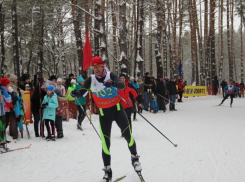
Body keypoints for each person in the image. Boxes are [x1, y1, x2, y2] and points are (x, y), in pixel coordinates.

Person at [71, 56, 142, 182]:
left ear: (102, 65)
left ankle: (134, 158)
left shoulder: (111, 75)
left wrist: (113, 83)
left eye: (98, 66)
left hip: (118, 111)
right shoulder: (91, 79)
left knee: (128, 135)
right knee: (105, 143)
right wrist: (76, 94)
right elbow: (83, 90)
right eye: (94, 67)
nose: (96, 69)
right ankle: (107, 171)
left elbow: (121, 85)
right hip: (104, 114)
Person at [6, 73, 24, 141]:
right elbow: (15, 96)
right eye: (16, 79)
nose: (17, 80)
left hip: (13, 105)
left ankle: (12, 133)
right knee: (14, 119)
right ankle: (14, 134)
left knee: (13, 119)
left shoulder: (14, 86)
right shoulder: (11, 87)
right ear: (13, 80)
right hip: (13, 105)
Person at [0, 83, 12, 151]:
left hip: (1, 112)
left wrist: (5, 94)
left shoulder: (2, 88)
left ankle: (2, 142)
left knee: (2, 127)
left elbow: (8, 99)